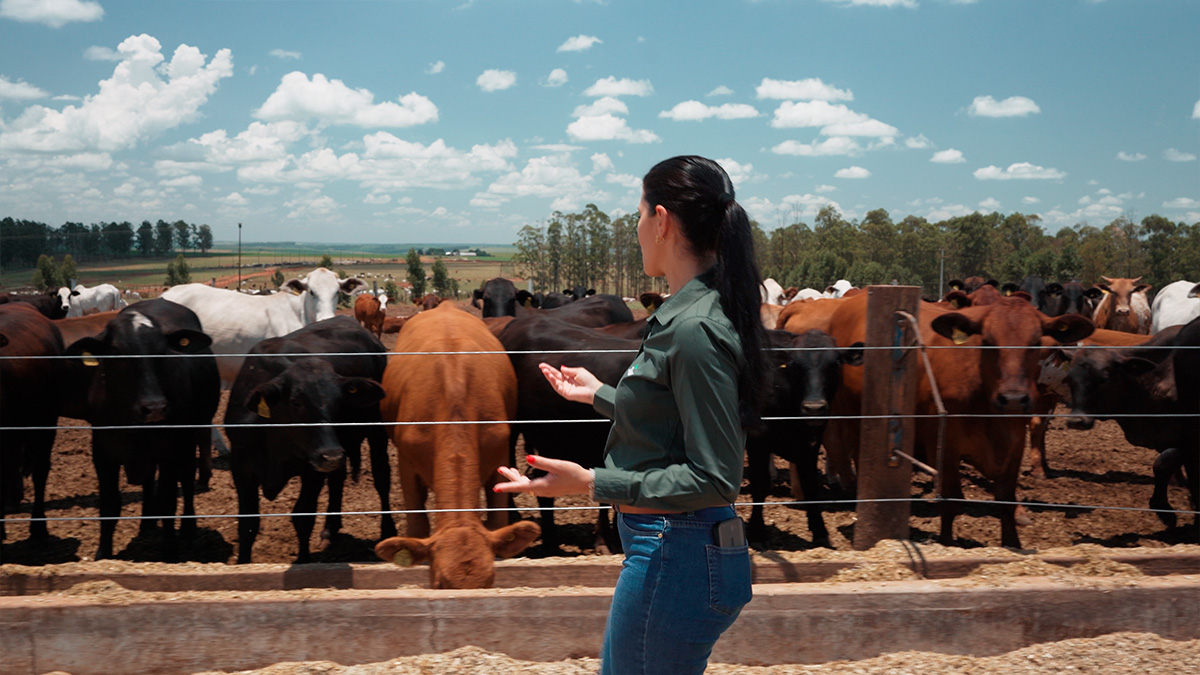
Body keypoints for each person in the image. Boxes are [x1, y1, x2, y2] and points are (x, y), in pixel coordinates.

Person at [494, 155, 768, 674]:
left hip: (676, 553)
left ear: (662, 221)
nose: (638, 229)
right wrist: (600, 394)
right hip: (678, 550)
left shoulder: (693, 329)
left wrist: (592, 482)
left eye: (639, 216)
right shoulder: (695, 312)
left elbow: (714, 476)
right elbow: (677, 420)